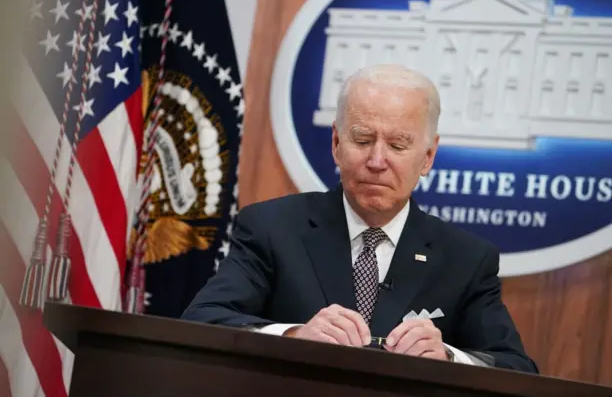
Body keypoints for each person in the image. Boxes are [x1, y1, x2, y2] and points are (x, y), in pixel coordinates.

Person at [181, 64, 538, 372]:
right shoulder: (272, 227)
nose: (377, 161)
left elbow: (516, 367)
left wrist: (448, 356)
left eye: (398, 145)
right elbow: (202, 321)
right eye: (363, 139)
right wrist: (293, 336)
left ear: (428, 157)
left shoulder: (466, 259)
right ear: (336, 143)